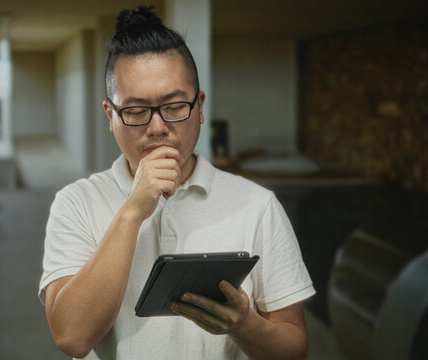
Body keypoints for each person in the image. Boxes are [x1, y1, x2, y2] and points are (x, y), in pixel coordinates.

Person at [39, 6, 315, 360]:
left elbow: (295, 350)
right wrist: (131, 213)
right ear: (111, 116)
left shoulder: (257, 205)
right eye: (136, 111)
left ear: (199, 108)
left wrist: (244, 324)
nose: (157, 127)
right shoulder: (76, 202)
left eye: (174, 107)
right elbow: (72, 337)